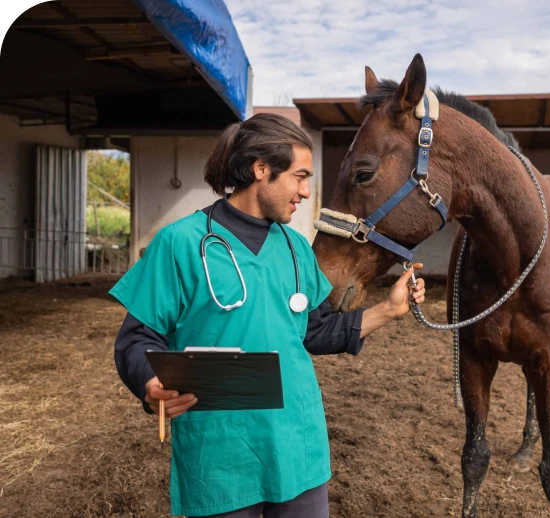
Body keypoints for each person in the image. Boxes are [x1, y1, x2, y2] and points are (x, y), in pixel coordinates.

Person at [110, 113, 426, 518]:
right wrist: (150, 383)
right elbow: (136, 339)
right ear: (261, 170)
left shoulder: (297, 249)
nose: (306, 192)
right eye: (299, 176)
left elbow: (316, 332)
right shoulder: (181, 243)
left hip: (299, 448)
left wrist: (389, 309)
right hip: (221, 455)